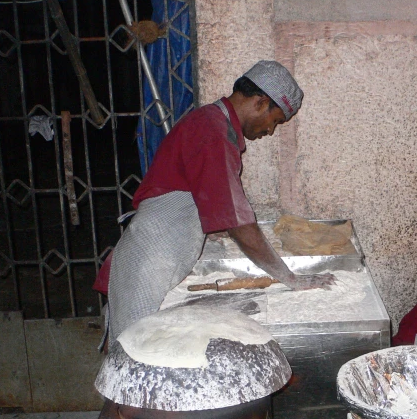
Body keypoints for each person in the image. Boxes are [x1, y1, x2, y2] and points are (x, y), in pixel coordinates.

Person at [96, 60, 334, 346]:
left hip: (155, 258)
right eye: (276, 120)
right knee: (137, 355)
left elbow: (203, 198)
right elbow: (240, 223)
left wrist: (211, 224)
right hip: (147, 265)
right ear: (260, 102)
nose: (270, 130)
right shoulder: (213, 132)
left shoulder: (211, 122)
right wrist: (290, 278)